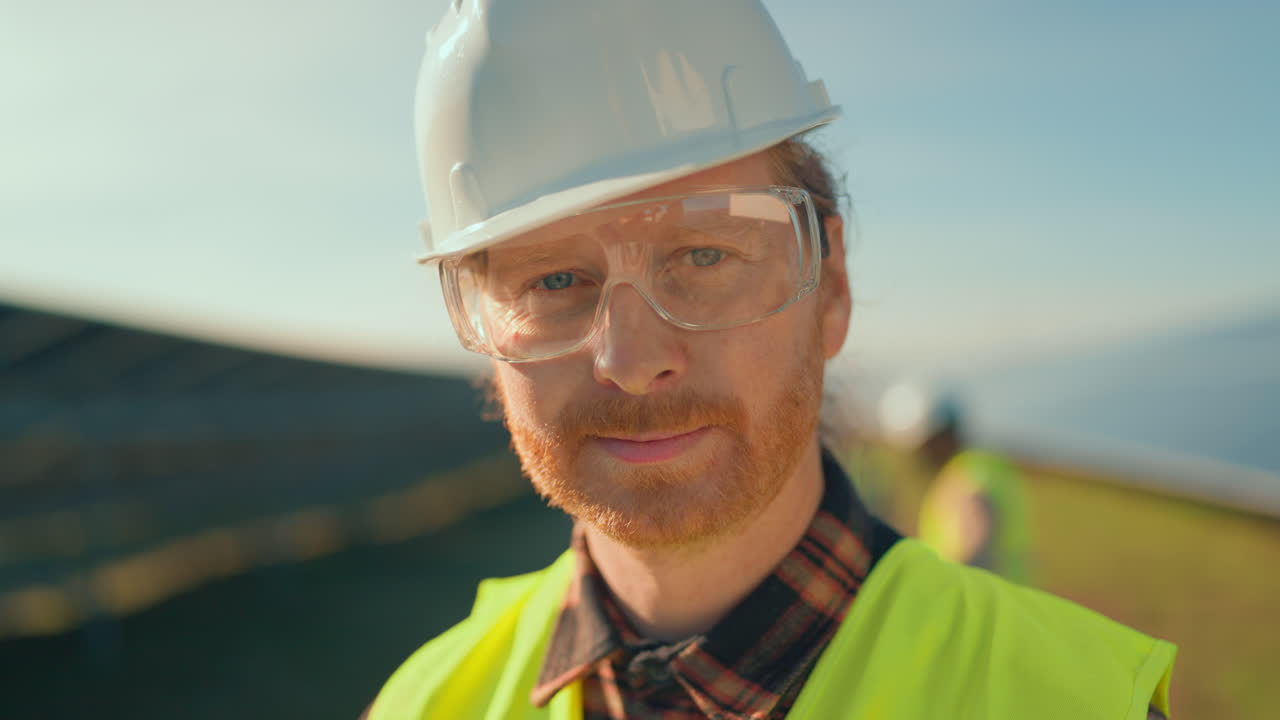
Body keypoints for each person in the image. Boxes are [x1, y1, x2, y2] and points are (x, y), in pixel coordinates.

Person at [365, 1, 1175, 717]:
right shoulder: (425, 703)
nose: (630, 359)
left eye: (705, 256)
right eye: (553, 280)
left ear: (832, 290)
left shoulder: (1069, 702)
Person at [879, 382, 1033, 584]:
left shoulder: (963, 475)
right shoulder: (987, 465)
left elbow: (978, 535)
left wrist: (942, 592)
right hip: (1012, 602)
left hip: (987, 608)